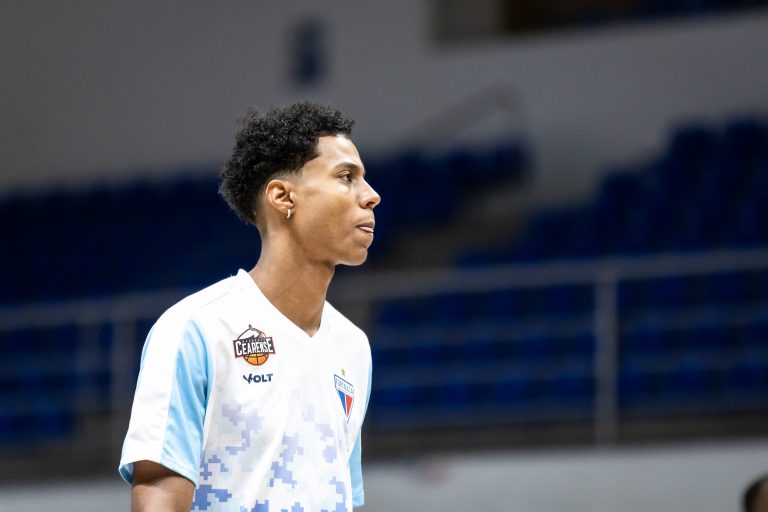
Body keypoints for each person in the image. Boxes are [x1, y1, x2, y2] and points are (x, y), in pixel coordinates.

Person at [119, 101, 381, 512]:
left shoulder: (354, 347)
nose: (371, 196)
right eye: (346, 177)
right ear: (283, 197)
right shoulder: (195, 330)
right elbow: (159, 495)